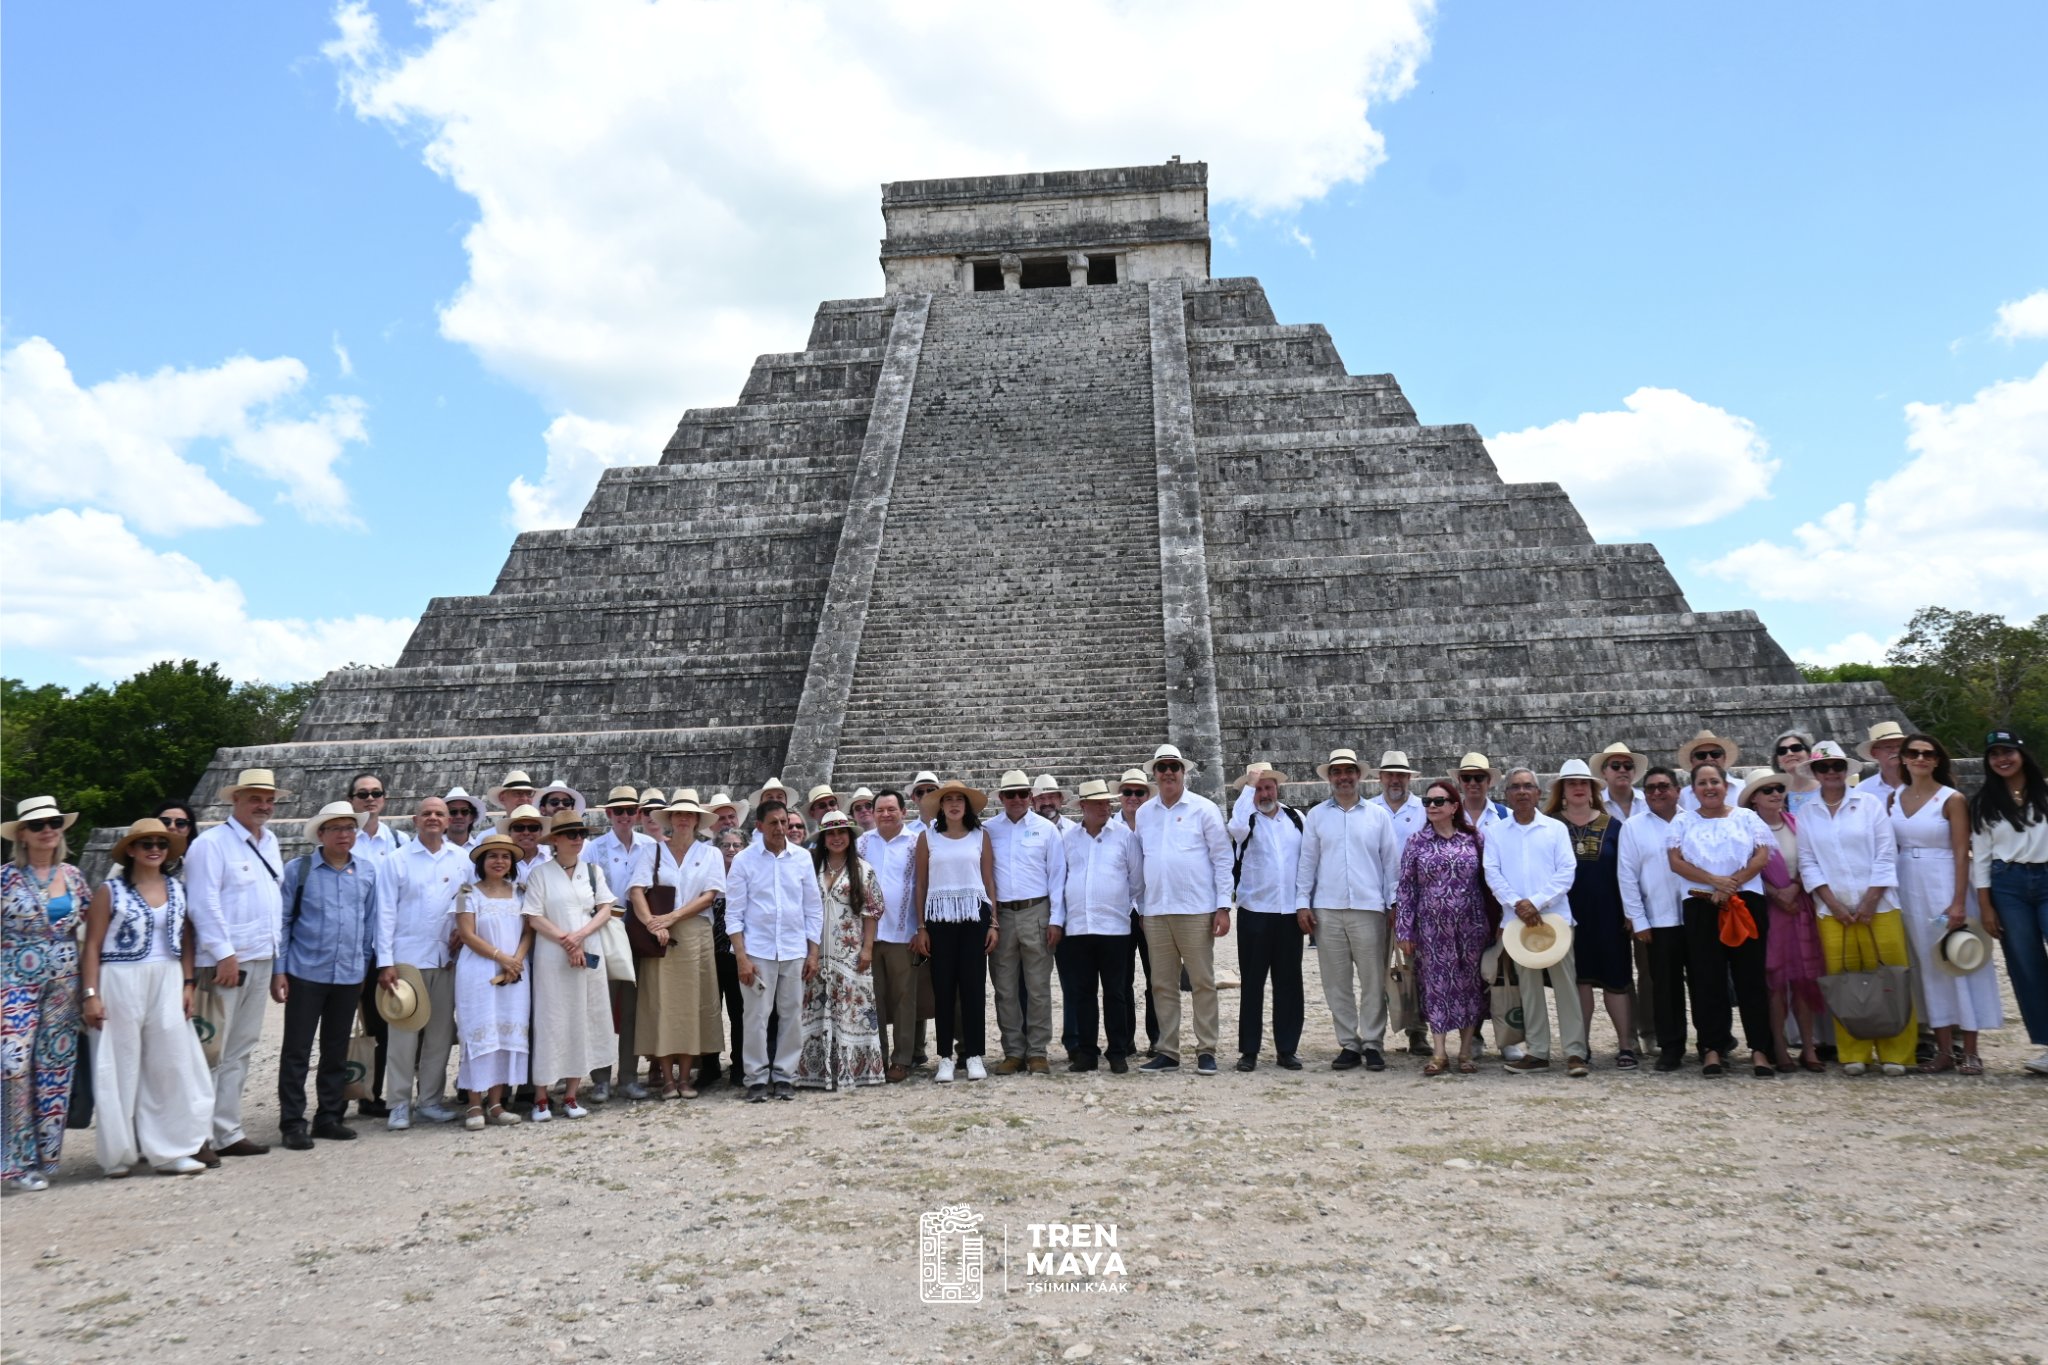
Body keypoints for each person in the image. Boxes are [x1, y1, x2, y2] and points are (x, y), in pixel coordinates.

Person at [80, 818, 212, 1177]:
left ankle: (170, 1151)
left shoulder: (177, 888)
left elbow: (188, 939)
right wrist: (90, 995)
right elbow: (91, 945)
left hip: (167, 977)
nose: (155, 848)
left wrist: (188, 984)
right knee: (117, 1064)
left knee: (170, 1064)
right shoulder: (110, 891)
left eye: (161, 843)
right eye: (147, 843)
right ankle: (118, 1154)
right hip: (119, 977)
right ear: (132, 851)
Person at [183, 767, 290, 1162]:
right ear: (236, 800)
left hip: (261, 957)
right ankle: (196, 1136)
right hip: (226, 962)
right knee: (210, 1050)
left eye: (269, 800)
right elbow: (202, 903)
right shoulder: (211, 845)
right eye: (255, 799)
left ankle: (227, 1130)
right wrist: (224, 953)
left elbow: (272, 905)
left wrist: (278, 965)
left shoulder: (271, 841)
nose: (263, 806)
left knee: (241, 1049)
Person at [1799, 741, 1915, 1075]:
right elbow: (1807, 861)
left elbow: (1885, 852)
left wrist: (1870, 899)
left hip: (1879, 905)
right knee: (1844, 979)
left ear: (1846, 770)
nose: (1831, 772)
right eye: (1824, 767)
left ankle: (1897, 1050)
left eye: (1837, 766)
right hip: (1832, 910)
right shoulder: (1808, 812)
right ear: (1816, 773)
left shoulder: (1869, 805)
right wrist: (1832, 903)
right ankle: (1854, 1051)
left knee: (1892, 975)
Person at [1892, 734, 2000, 1075]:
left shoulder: (1951, 799)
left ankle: (1970, 1049)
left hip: (1944, 880)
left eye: (1928, 753)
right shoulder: (1894, 797)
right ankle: (1942, 1050)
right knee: (1928, 966)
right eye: (1913, 753)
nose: (1921, 758)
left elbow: (1960, 852)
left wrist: (1957, 902)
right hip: (1908, 881)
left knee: (1957, 961)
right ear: (1904, 759)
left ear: (1937, 760)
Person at [276, 802, 381, 1149]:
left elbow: (369, 925)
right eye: (335, 828)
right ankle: (292, 1122)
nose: (344, 834)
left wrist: (364, 966)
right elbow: (284, 922)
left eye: (349, 828)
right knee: (297, 1050)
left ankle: (329, 1115)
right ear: (321, 834)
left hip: (349, 974)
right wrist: (281, 970)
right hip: (307, 971)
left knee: (336, 1049)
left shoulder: (366, 872)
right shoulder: (299, 870)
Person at [1295, 747, 1401, 1073]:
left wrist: (1393, 903)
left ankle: (1372, 1042)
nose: (1344, 777)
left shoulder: (1378, 816)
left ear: (1359, 775)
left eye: (1349, 771)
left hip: (1370, 908)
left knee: (1372, 980)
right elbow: (1307, 863)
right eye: (1337, 772)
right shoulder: (1316, 816)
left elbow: (1390, 865)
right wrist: (1302, 903)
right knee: (1336, 981)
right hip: (1327, 908)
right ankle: (1348, 1042)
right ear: (1330, 777)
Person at [1, 796, 89, 1190]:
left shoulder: (73, 876)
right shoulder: (5, 878)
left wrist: (90, 991)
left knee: (54, 1070)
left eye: (54, 822)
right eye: (38, 825)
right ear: (22, 834)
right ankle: (13, 1162)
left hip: (63, 987)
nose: (48, 830)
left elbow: (89, 933)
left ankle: (43, 1160)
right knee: (13, 1068)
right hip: (13, 983)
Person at [1666, 765, 1775, 1078]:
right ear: (1694, 788)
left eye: (1715, 781)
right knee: (1705, 977)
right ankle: (1712, 1047)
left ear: (1726, 785)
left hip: (1745, 901)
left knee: (1750, 976)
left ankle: (1760, 1049)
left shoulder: (1746, 817)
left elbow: (1761, 856)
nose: (1709, 787)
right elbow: (1676, 862)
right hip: (1702, 902)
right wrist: (1714, 881)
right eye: (1702, 782)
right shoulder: (1683, 821)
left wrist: (1732, 884)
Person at [1135, 744, 1232, 1076]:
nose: (1167, 773)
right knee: (1162, 983)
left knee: (1203, 981)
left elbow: (1222, 858)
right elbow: (1142, 861)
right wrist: (1143, 907)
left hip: (1195, 909)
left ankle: (1206, 1049)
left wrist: (1223, 906)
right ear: (1155, 773)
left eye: (1173, 766)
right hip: (1158, 910)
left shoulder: (1203, 809)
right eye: (1162, 767)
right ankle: (1168, 1050)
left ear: (1183, 771)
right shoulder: (1145, 813)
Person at [1484, 769, 1587, 1077]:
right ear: (1507, 795)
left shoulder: (1555, 829)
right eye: (1515, 787)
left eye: (1528, 786)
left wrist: (1536, 902)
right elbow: (1492, 872)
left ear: (1538, 792)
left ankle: (1575, 1052)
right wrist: (1518, 904)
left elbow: (1566, 871)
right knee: (1528, 988)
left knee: (1566, 985)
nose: (1522, 791)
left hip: (1554, 918)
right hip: (1518, 922)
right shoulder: (1496, 832)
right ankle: (1538, 1051)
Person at [374, 797, 469, 1128]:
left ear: (447, 822)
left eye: (439, 814)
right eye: (426, 813)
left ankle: (429, 1100)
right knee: (403, 1036)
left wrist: (463, 930)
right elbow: (384, 913)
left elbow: (469, 903)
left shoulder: (461, 859)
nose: (433, 818)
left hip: (446, 958)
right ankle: (398, 1103)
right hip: (406, 960)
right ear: (415, 820)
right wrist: (385, 961)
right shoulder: (397, 860)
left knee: (440, 1035)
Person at [627, 796, 724, 1099]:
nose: (683, 819)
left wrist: (671, 917)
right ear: (670, 819)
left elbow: (709, 896)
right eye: (678, 814)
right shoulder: (651, 851)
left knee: (692, 1005)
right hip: (659, 935)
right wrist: (653, 924)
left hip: (694, 932)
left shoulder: (710, 854)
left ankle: (686, 1076)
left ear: (697, 820)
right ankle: (667, 1077)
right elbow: (636, 891)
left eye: (689, 815)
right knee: (661, 1004)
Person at [522, 810, 617, 1119]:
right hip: (553, 955)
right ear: (557, 840)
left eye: (581, 834)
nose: (578, 839)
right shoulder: (540, 874)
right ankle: (541, 1096)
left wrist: (580, 936)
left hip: (588, 949)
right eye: (572, 834)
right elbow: (533, 915)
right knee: (551, 1021)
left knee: (583, 1019)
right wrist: (567, 940)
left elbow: (606, 908)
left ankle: (573, 1094)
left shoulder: (593, 871)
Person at [1394, 778, 1492, 1075]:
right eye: (1427, 802)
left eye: (1438, 802)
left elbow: (1488, 882)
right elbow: (1406, 888)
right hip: (1432, 929)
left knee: (1470, 987)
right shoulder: (1416, 842)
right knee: (1435, 987)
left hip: (1471, 926)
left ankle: (1464, 1052)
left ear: (1454, 807)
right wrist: (1404, 929)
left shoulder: (1474, 838)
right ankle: (1439, 1052)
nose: (1432, 807)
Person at [729, 801, 824, 1100]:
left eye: (784, 821)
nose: (780, 828)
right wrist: (741, 957)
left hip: (794, 948)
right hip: (758, 949)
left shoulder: (802, 859)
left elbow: (813, 907)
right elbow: (734, 914)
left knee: (792, 1014)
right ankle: (756, 1077)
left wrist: (813, 952)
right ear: (759, 826)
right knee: (756, 1016)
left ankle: (784, 1075)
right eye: (773, 822)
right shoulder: (744, 861)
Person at [1545, 759, 1634, 1068]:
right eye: (1571, 783)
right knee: (1578, 982)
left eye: (1584, 783)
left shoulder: (1614, 826)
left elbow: (1626, 872)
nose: (1579, 788)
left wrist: (1630, 911)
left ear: (1594, 789)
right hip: (1567, 915)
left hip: (1609, 913)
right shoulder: (1550, 825)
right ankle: (1579, 1046)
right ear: (1562, 790)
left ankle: (1625, 1045)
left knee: (1616, 980)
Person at [1972, 730, 2048, 1076]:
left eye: (2008, 752)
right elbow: (1981, 859)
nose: (2002, 759)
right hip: (2008, 884)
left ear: (2022, 754)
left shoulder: (2044, 791)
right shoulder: (1984, 802)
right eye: (1994, 755)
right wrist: (1985, 905)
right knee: (2026, 965)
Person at [1738, 775, 1827, 1073]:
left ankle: (1808, 1046)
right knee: (1775, 983)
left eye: (1779, 788)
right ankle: (1779, 1046)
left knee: (1804, 980)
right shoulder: (1746, 831)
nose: (1776, 793)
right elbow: (1742, 868)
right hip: (1769, 910)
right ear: (1754, 798)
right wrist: (1777, 893)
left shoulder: (1796, 824)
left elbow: (1813, 859)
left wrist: (1796, 886)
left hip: (1799, 905)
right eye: (1768, 790)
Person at [912, 782, 998, 1083]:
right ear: (940, 806)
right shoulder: (927, 838)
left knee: (974, 988)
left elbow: (988, 881)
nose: (953, 804)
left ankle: (974, 1055)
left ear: (967, 805)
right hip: (938, 919)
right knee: (943, 989)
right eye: (947, 800)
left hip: (975, 917)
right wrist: (921, 926)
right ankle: (945, 1057)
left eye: (959, 800)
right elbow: (921, 884)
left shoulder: (980, 836)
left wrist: (993, 923)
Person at [1060, 779, 1145, 1074]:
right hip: (1079, 928)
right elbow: (1062, 879)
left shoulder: (1124, 836)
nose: (1104, 807)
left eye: (1106, 802)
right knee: (1083, 992)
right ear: (1083, 806)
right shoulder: (1069, 838)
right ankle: (1086, 1053)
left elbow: (1136, 880)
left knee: (1116, 992)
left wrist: (1116, 903)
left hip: (1115, 927)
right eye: (1097, 803)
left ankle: (1118, 1051)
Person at [985, 769, 1067, 1076]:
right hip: (1002, 914)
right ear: (1002, 798)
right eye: (1011, 794)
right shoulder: (988, 830)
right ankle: (1013, 1051)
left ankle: (1037, 1051)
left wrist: (1056, 919)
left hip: (1037, 910)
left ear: (1030, 797)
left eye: (1022, 794)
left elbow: (1057, 877)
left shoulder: (1046, 830)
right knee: (1004, 988)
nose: (1017, 799)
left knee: (1038, 987)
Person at [795, 812, 884, 1088]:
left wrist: (867, 949)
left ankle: (855, 1071)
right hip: (815, 951)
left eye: (841, 833)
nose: (836, 838)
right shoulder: (810, 868)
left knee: (852, 1010)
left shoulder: (862, 869)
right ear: (823, 838)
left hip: (851, 951)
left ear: (849, 837)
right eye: (831, 834)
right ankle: (815, 1072)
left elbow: (872, 912)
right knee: (813, 1009)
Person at [451, 834, 534, 1128]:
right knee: (478, 1033)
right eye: (492, 856)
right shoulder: (467, 893)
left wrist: (516, 960)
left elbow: (528, 931)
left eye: (505, 856)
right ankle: (474, 1103)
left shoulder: (521, 893)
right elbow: (467, 934)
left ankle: (497, 1103)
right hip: (479, 971)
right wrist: (502, 957)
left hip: (515, 973)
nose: (499, 861)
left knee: (505, 1035)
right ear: (482, 862)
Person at [1227, 762, 1304, 1071]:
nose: (1264, 793)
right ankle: (1249, 1050)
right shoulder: (1246, 819)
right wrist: (1248, 786)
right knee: (1253, 983)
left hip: (1288, 912)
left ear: (1278, 788)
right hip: (1255, 912)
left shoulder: (1297, 819)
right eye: (1258, 788)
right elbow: (1235, 828)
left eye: (1268, 786)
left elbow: (1307, 861)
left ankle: (1287, 1048)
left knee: (1289, 982)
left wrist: (1304, 904)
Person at [1618, 767, 1690, 1071]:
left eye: (1663, 787)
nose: (1657, 793)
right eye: (1650, 789)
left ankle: (1714, 1043)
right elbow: (1627, 876)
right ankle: (1671, 1046)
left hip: (1696, 917)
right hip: (1657, 919)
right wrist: (1638, 919)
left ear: (1676, 789)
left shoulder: (1694, 821)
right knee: (1664, 987)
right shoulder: (1633, 827)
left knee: (1705, 983)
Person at [589, 785, 655, 1101]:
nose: (625, 817)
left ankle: (628, 1075)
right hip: (605, 932)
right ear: (609, 814)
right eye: (620, 811)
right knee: (602, 1007)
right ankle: (600, 1077)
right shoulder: (593, 849)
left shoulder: (650, 846)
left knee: (631, 1009)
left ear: (638, 814)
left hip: (638, 933)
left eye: (631, 810)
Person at [1369, 751, 1429, 1057]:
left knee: (1415, 969)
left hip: (1415, 901)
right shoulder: (1368, 809)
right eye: (1390, 775)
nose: (1395, 780)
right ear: (1380, 778)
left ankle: (1417, 1030)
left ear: (1409, 778)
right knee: (1375, 969)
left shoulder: (1423, 810)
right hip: (1376, 899)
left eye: (1401, 775)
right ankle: (1374, 1035)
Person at [860, 791, 922, 1082]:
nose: (886, 814)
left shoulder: (915, 843)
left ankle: (902, 1059)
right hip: (869, 936)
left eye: (891, 809)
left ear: (904, 811)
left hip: (903, 933)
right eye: (880, 810)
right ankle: (878, 1057)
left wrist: (921, 928)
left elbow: (922, 885)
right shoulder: (862, 843)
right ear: (872, 813)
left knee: (904, 999)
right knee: (874, 1001)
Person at [1118, 767, 1163, 1055]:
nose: (1133, 797)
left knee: (1156, 979)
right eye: (1128, 792)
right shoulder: (1107, 826)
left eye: (1139, 792)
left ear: (1148, 795)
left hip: (1153, 909)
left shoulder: (1157, 825)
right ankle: (1124, 1039)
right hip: (1121, 912)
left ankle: (1158, 1039)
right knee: (1121, 981)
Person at [703, 829, 750, 1087]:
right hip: (710, 953)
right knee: (709, 1011)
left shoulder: (749, 875)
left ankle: (740, 1065)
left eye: (736, 844)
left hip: (737, 954)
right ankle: (709, 1065)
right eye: (725, 845)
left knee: (739, 1012)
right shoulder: (710, 875)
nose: (731, 849)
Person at [1676, 731, 1745, 811]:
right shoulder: (1683, 795)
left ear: (1724, 758)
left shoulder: (1744, 787)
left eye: (1715, 754)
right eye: (1701, 755)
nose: (1709, 758)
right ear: (1692, 761)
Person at [1770, 730, 1824, 815]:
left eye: (1796, 748)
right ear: (1778, 761)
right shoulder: (1774, 796)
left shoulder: (1827, 788)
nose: (1789, 753)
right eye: (1782, 751)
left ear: (1809, 755)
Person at [1591, 742, 1646, 823]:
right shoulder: (1594, 805)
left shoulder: (1647, 801)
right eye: (1615, 765)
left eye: (1628, 765)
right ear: (1604, 772)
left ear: (1634, 771)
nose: (1622, 770)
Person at [1455, 753, 1510, 833]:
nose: (1472, 783)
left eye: (1479, 777)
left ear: (1488, 781)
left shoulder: (1507, 815)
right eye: (1466, 778)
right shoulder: (1449, 816)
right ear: (1459, 781)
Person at [1855, 721, 1908, 801]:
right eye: (1888, 747)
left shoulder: (1922, 782)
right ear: (1874, 753)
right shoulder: (1862, 790)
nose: (1896, 750)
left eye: (1900, 746)